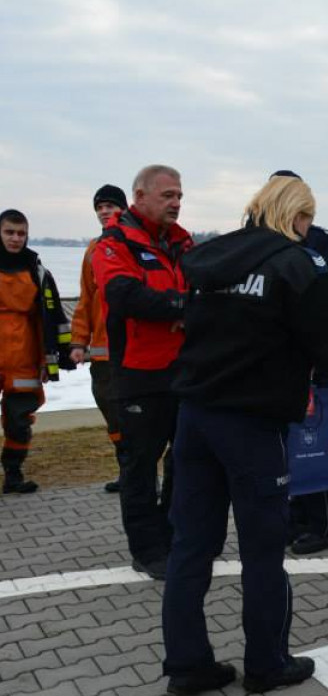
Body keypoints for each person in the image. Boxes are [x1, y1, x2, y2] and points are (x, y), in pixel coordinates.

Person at [162, 176, 328, 696]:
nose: (308, 230)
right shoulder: (293, 265)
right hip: (252, 425)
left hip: (195, 417)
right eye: (308, 220)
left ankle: (187, 663)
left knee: (191, 546)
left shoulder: (209, 258)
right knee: (264, 550)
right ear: (296, 216)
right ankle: (267, 662)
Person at [92, 165, 191, 580]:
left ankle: (173, 536)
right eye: (167, 195)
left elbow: (204, 289)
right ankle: (147, 550)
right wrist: (181, 307)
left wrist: (179, 305)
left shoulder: (183, 244)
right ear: (140, 196)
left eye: (179, 196)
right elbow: (125, 295)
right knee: (139, 465)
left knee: (184, 460)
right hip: (137, 374)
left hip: (183, 372)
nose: (176, 202)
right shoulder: (112, 244)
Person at [269, 170, 328, 555]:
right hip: (274, 366)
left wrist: (314, 347)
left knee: (314, 441)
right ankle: (296, 516)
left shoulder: (326, 246)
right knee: (285, 445)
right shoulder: (267, 242)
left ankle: (324, 523)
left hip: (313, 364)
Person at [0, 209, 74, 493]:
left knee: (19, 420)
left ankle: (13, 473)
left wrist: (55, 358)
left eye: (21, 233)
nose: (16, 238)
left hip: (24, 357)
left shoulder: (38, 271)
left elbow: (54, 318)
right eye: (10, 232)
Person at [70, 184, 129, 493]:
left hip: (133, 350)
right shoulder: (93, 248)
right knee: (113, 415)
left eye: (110, 205)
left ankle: (141, 473)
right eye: (100, 207)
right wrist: (79, 342)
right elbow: (85, 298)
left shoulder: (134, 240)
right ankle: (127, 470)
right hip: (103, 353)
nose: (104, 211)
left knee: (137, 416)